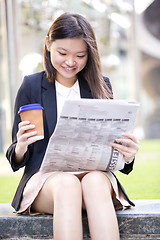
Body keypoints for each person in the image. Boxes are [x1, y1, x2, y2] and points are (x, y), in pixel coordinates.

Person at [6, 12, 139, 240]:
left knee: (95, 182)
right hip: (47, 179)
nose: (70, 62)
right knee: (68, 185)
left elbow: (116, 153)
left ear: (90, 54)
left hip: (93, 174)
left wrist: (127, 155)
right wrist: (21, 147)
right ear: (48, 44)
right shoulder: (31, 86)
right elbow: (16, 158)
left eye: (80, 55)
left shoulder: (101, 86)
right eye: (62, 53)